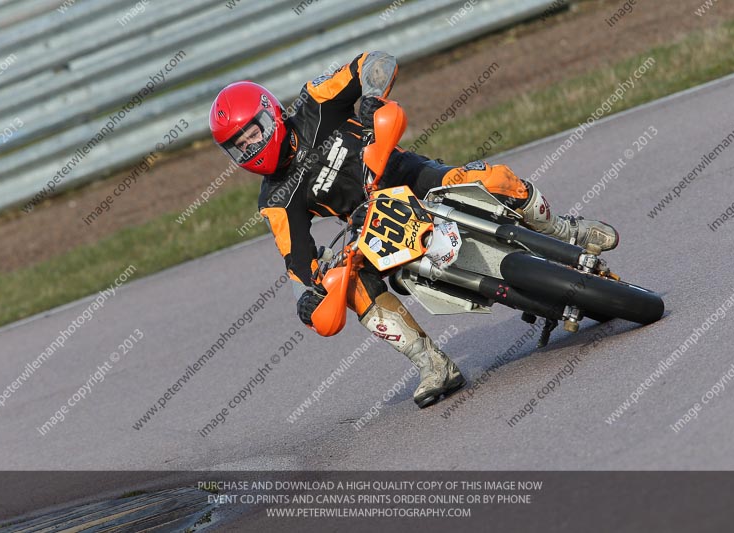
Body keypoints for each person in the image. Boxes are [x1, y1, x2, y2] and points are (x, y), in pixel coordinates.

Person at [209, 51, 618, 408]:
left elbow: (376, 60)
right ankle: (431, 363)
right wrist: (306, 298)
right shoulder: (274, 200)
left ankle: (567, 230)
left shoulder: (315, 102)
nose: (252, 146)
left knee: (492, 178)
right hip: (368, 224)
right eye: (239, 145)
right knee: (349, 284)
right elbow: (296, 261)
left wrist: (371, 96)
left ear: (272, 113)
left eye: (254, 131)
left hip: (408, 174)